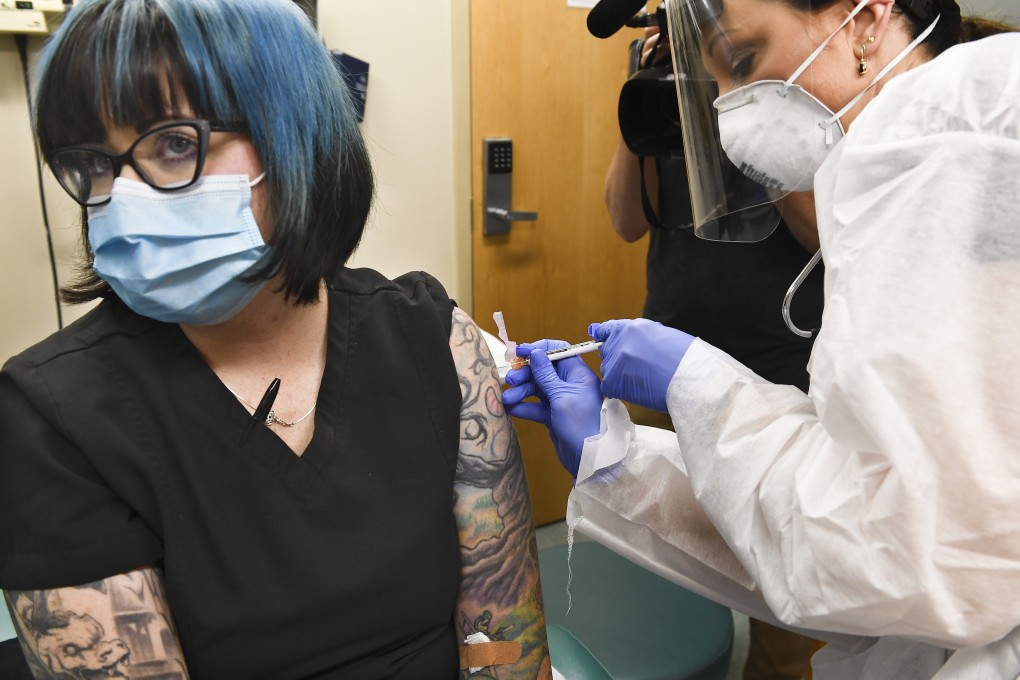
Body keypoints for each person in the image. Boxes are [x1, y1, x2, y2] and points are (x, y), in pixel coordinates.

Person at [0, 1, 550, 678]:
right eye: (95, 164)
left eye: (175, 143)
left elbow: (498, 639)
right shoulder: (53, 417)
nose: (126, 198)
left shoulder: (431, 338)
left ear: (296, 135)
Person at [505, 0, 1020, 677]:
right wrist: (617, 462)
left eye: (744, 61)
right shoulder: (903, 188)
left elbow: (937, 563)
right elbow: (828, 546)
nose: (727, 113)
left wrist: (700, 385)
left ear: (866, 19)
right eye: (712, 79)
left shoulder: (981, 168)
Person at [607, 24, 824, 678]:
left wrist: (749, 110)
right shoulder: (670, 100)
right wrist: (643, 99)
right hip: (667, 369)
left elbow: (825, 233)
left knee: (785, 615)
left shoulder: (797, 101)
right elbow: (625, 218)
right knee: (657, 581)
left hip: (777, 383)